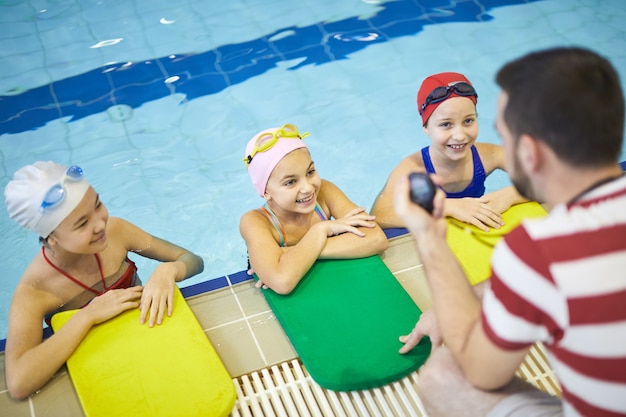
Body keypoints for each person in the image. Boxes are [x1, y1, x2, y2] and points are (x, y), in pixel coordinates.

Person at [395, 47, 626, 416]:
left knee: (445, 377)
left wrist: (429, 238)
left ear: (529, 153)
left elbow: (480, 370)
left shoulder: (539, 251)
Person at [3, 161, 204, 400]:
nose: (100, 224)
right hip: (104, 371)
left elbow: (193, 260)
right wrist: (88, 315)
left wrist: (169, 271)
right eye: (82, 223)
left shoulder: (116, 231)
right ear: (52, 238)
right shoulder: (34, 291)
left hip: (150, 337)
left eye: (98, 205)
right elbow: (19, 382)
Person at [239, 123, 388, 295]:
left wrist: (290, 254)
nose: (308, 188)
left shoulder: (325, 192)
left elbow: (377, 239)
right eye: (290, 182)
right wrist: (321, 230)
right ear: (265, 192)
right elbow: (282, 282)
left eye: (310, 172)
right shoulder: (255, 221)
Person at [372, 72, 526, 231]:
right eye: (446, 124)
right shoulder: (413, 169)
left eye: (468, 121)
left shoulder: (489, 155)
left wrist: (509, 195)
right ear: (426, 127)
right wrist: (448, 207)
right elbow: (380, 215)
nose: (459, 136)